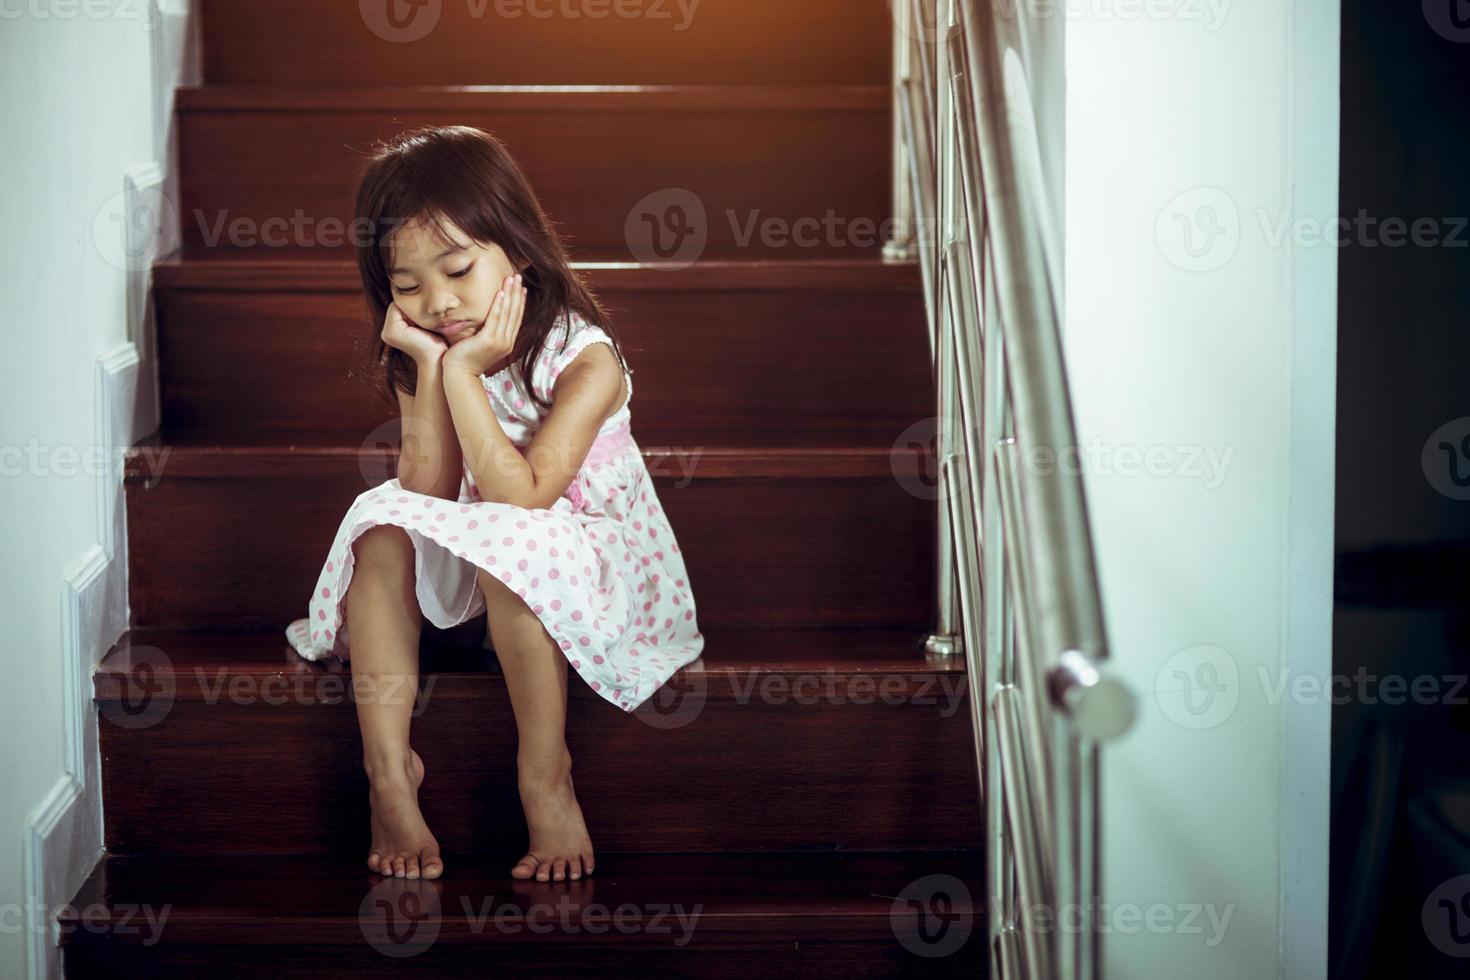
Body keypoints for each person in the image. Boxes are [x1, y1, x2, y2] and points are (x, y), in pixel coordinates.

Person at [282, 124, 705, 884]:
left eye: (457, 270)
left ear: (517, 246)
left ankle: (545, 778)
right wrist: (431, 367)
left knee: (514, 547)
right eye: (407, 287)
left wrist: (468, 372)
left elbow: (524, 495)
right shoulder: (430, 348)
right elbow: (428, 494)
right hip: (495, 564)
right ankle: (387, 777)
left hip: (594, 571)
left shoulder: (584, 356)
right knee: (382, 527)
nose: (437, 303)